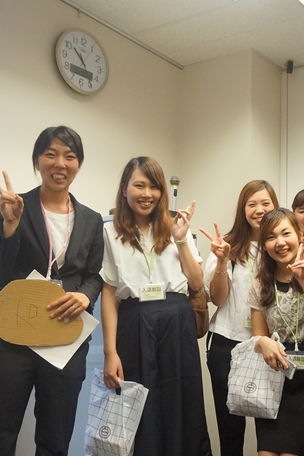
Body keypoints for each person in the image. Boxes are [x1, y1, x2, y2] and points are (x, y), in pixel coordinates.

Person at [0, 126, 103, 455]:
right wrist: (10, 226)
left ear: (78, 164)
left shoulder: (91, 220)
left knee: (55, 438)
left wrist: (86, 295)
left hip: (64, 336)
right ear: (37, 161)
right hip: (10, 337)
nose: (60, 163)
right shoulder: (11, 207)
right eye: (51, 154)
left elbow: (94, 275)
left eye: (70, 156)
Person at [100, 156, 211, 455]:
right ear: (124, 189)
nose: (147, 194)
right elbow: (109, 293)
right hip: (134, 323)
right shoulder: (110, 232)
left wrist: (181, 240)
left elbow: (196, 282)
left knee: (182, 403)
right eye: (139, 185)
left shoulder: (176, 226)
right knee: (138, 408)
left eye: (154, 187)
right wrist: (110, 352)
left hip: (177, 322)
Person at [198, 180, 278, 456]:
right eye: (252, 204)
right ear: (243, 209)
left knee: (270, 427)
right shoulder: (227, 246)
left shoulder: (280, 245)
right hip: (227, 344)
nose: (259, 210)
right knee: (230, 429)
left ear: (275, 206)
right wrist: (222, 261)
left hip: (268, 345)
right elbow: (217, 299)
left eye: (265, 203)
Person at [248, 208, 304, 456]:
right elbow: (257, 336)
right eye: (271, 237)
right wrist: (262, 342)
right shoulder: (260, 283)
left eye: (286, 233)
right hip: (275, 379)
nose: (280, 242)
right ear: (264, 245)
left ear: (299, 236)